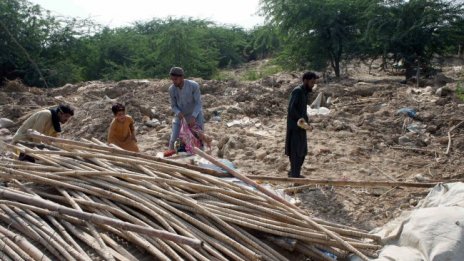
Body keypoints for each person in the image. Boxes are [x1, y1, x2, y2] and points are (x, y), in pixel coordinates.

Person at [285, 71, 319, 178]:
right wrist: (301, 120)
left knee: (302, 151)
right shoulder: (298, 91)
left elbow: (302, 111)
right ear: (305, 81)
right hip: (295, 128)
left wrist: (307, 124)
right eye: (312, 82)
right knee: (296, 153)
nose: (313, 84)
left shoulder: (304, 92)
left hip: (301, 127)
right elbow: (291, 109)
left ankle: (294, 173)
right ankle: (295, 177)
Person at [168, 66, 205, 149]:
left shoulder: (193, 86)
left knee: (199, 137)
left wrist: (193, 116)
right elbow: (173, 106)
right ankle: (169, 157)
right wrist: (178, 112)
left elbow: (198, 103)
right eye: (172, 79)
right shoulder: (172, 89)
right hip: (181, 116)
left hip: (195, 114)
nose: (174, 81)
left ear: (182, 77)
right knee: (174, 139)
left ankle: (201, 156)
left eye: (175, 79)